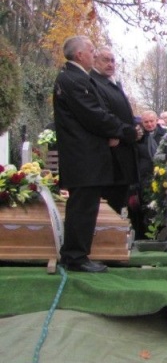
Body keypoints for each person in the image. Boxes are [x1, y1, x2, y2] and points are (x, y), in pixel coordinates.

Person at [53, 36, 136, 272]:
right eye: (91, 51)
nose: (93, 54)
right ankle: (75, 256)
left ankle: (76, 254)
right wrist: (123, 131)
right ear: (80, 55)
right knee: (83, 207)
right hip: (83, 156)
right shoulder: (74, 79)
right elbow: (94, 114)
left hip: (86, 155)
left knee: (84, 206)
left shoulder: (76, 78)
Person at [90, 46, 138, 214]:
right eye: (105, 60)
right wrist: (126, 132)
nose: (110, 64)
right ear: (95, 60)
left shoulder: (113, 84)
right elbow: (104, 115)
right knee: (109, 207)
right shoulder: (95, 83)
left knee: (118, 205)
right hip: (111, 160)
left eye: (112, 60)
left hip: (122, 156)